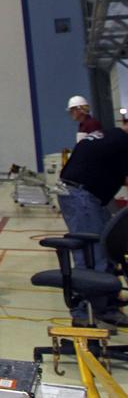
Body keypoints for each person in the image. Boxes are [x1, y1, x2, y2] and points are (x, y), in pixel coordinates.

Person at [55, 127, 128, 327]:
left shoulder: (111, 135)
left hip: (81, 193)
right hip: (83, 196)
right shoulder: (122, 142)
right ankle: (89, 311)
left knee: (107, 245)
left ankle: (107, 302)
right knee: (93, 254)